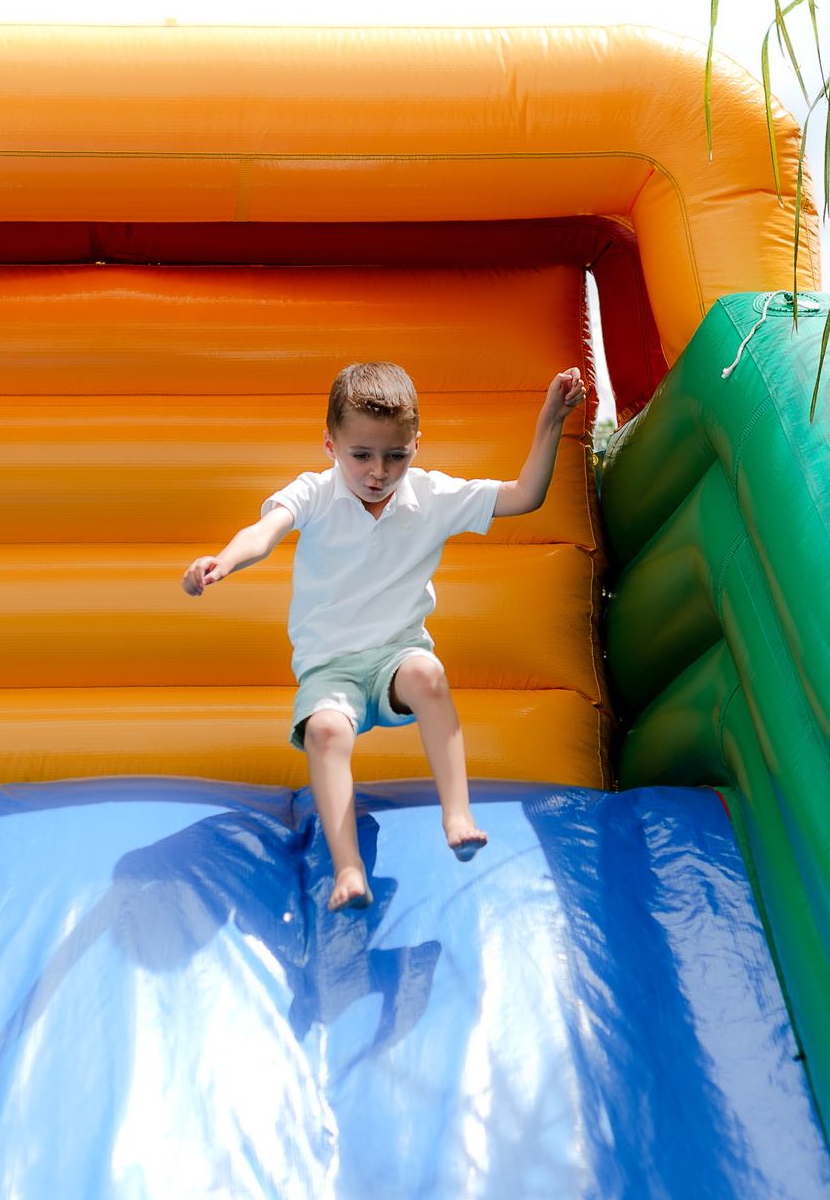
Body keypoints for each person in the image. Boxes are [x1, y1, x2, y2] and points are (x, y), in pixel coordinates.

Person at [182, 360, 586, 912]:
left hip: (397, 657)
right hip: (330, 668)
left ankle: (458, 816)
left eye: (396, 455)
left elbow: (524, 496)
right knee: (325, 731)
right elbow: (265, 532)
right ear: (330, 446)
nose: (378, 471)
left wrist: (552, 420)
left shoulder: (432, 495)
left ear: (416, 444)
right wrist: (224, 561)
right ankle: (348, 870)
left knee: (428, 674)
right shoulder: (314, 492)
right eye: (361, 455)